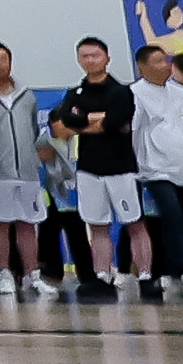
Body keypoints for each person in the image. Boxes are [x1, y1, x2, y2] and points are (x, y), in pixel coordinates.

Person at [49, 38, 144, 302]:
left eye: (95, 55)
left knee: (134, 223)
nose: (90, 60)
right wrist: (95, 120)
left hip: (121, 167)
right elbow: (66, 123)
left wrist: (86, 121)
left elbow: (114, 122)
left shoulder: (120, 92)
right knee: (97, 224)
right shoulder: (75, 93)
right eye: (85, 56)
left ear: (107, 58)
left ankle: (146, 274)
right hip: (88, 168)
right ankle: (101, 274)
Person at [129, 42, 183, 304]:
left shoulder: (182, 94)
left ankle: (167, 272)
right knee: (172, 215)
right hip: (153, 170)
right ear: (142, 67)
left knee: (182, 220)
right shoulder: (134, 94)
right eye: (157, 61)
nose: (165, 65)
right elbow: (131, 130)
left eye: (165, 60)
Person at [0, 42, 50, 301]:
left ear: (10, 61)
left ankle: (32, 274)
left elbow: (33, 130)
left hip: (27, 172)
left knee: (28, 223)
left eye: (2, 58)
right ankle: (4, 272)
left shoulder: (27, 95)